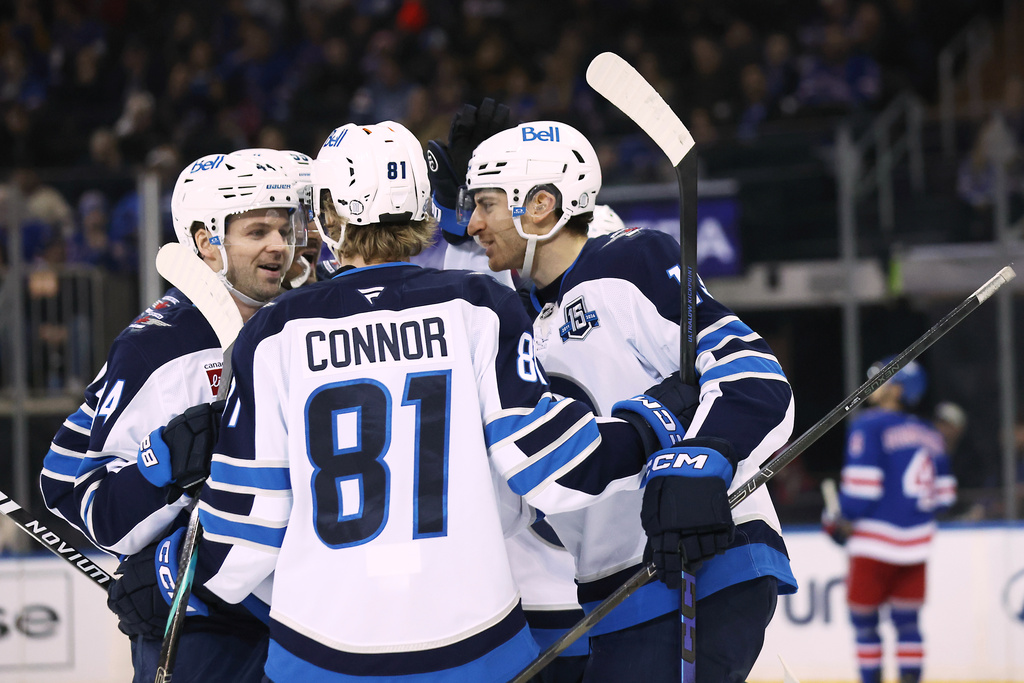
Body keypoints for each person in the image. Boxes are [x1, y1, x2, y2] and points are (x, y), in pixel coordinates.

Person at [190, 120, 694, 683]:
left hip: (317, 655)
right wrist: (654, 419)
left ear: (328, 217)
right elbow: (555, 469)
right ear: (424, 208)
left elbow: (239, 544)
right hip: (474, 648)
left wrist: (165, 565)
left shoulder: (274, 333)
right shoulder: (480, 306)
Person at [458, 119, 798, 683]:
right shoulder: (516, 320)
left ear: (539, 205)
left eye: (486, 205)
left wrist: (704, 457)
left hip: (704, 558)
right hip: (615, 597)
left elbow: (751, 372)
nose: (473, 224)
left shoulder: (629, 261)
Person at [38, 151, 309, 682]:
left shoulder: (293, 323)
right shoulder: (160, 347)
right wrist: (161, 463)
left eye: (284, 229)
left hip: (290, 615)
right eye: (257, 232)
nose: (280, 245)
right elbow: (79, 495)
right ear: (207, 242)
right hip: (203, 629)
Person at [832, 358, 956, 683]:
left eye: (882, 380)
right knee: (908, 623)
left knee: (864, 622)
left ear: (897, 389)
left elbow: (861, 491)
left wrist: (839, 519)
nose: (873, 385)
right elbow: (944, 497)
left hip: (873, 544)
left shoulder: (869, 425)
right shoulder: (930, 433)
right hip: (917, 544)